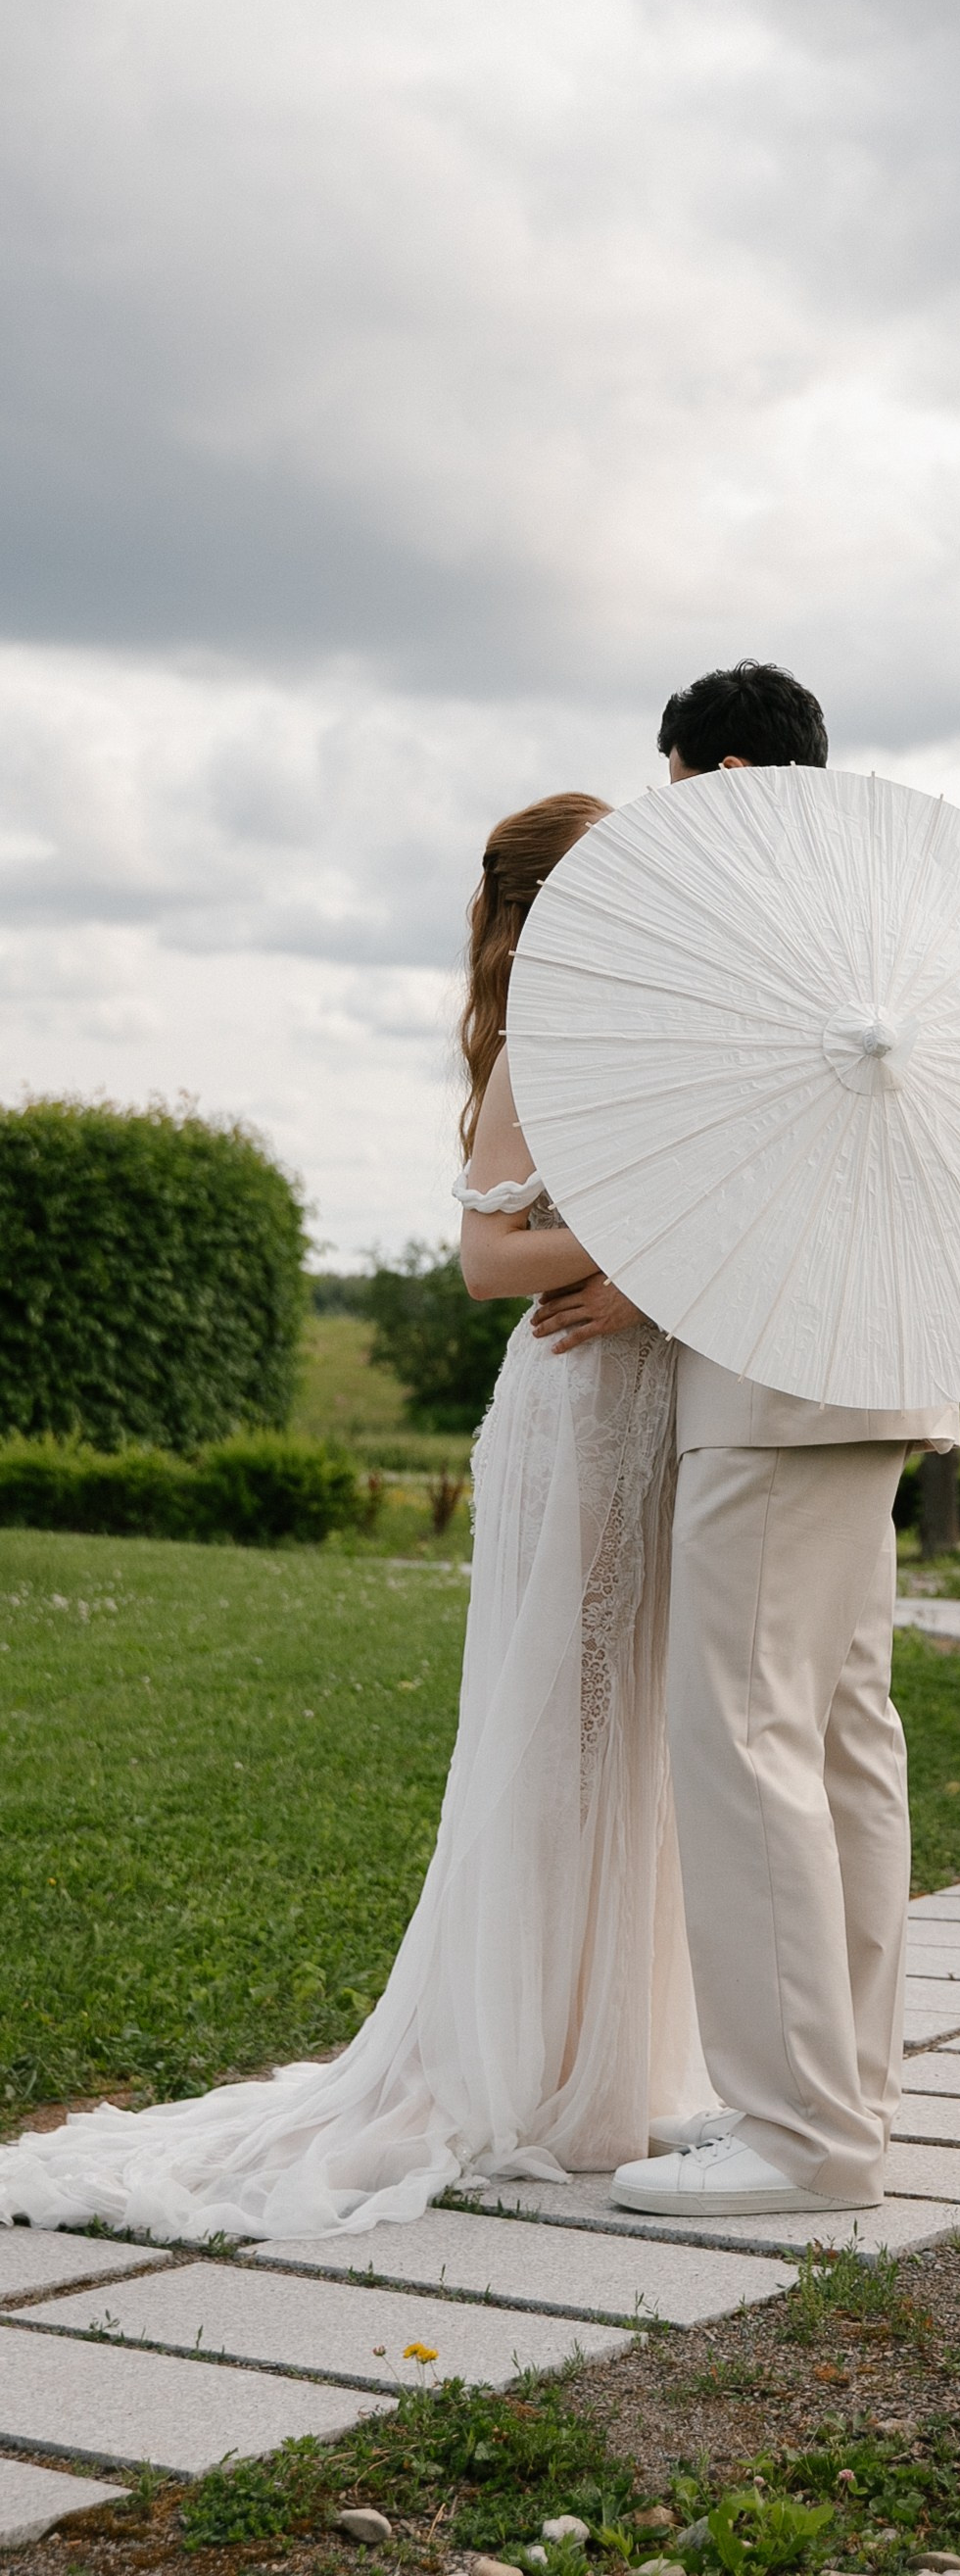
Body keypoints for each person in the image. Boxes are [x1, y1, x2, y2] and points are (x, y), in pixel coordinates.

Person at [0, 792, 710, 2241]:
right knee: (554, 1724)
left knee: (632, 1725)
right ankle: (512, 2053)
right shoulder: (536, 1048)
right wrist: (652, 1239)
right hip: (573, 1413)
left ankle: (613, 2060)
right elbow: (483, 1259)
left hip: (654, 1409)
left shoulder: (651, 1044)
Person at [531, 662, 960, 2219]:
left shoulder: (765, 919)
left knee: (747, 1736)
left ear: (714, 771)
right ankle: (845, 2100)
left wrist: (647, 1279)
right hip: (881, 1372)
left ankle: (801, 2134)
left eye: (668, 786)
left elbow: (763, 1143)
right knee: (847, 1739)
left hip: (778, 1382)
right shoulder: (884, 915)